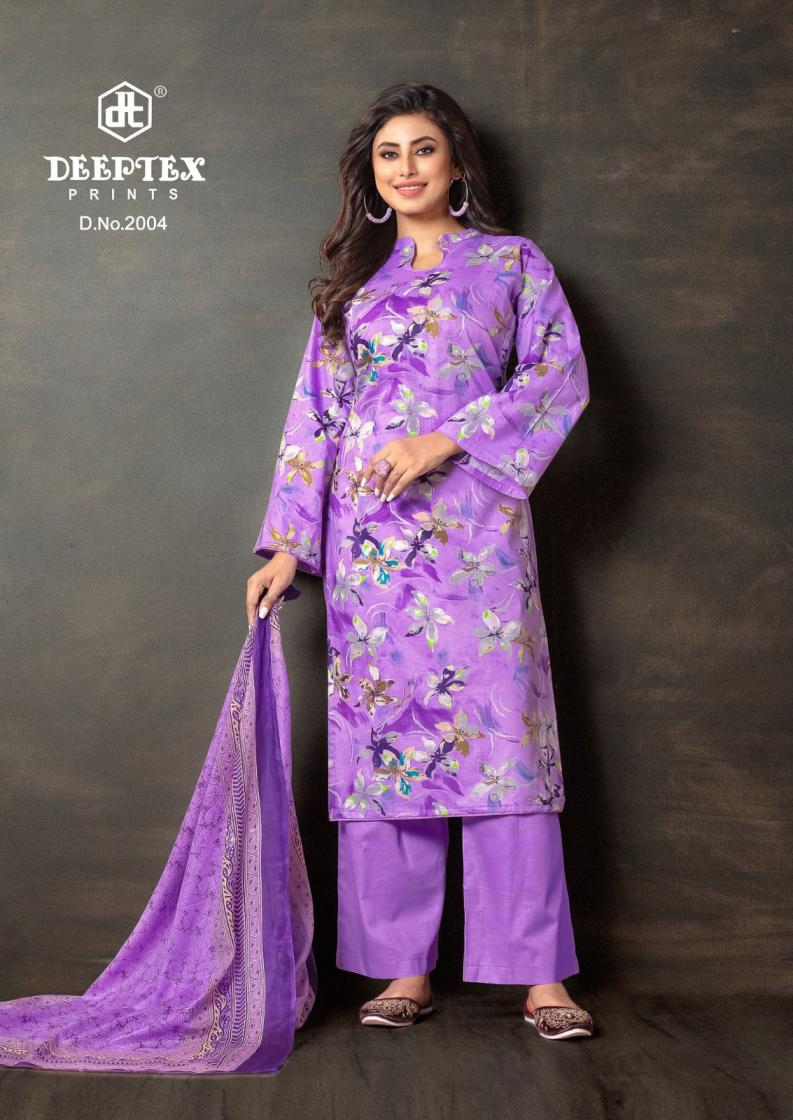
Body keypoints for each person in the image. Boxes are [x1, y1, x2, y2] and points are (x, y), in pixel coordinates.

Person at [246, 83, 594, 1041]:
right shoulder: (353, 290)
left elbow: (558, 375)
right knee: (386, 749)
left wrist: (447, 437)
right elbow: (313, 421)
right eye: (387, 155)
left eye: (422, 150)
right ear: (370, 176)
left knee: (502, 745)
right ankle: (404, 969)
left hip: (477, 544)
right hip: (371, 553)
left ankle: (539, 978)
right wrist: (288, 546)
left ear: (455, 164)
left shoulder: (512, 265)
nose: (405, 169)